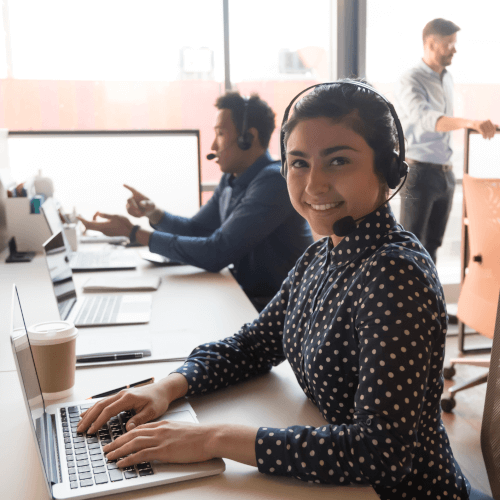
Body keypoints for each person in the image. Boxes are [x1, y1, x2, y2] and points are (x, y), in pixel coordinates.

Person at [77, 80, 471, 499]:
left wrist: (213, 439)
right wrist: (166, 387)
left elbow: (381, 454)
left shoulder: (395, 275)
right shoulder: (320, 257)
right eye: (299, 162)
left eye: (338, 161)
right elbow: (253, 345)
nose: (314, 184)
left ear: (387, 169)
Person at [78, 92, 313, 311]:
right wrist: (155, 214)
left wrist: (134, 233)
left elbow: (216, 252)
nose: (213, 146)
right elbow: (197, 229)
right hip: (244, 298)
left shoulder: (274, 182)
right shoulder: (231, 179)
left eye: (220, 134)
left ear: (247, 138)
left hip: (277, 310)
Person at [395, 18, 497, 264]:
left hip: (445, 174)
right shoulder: (411, 79)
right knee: (410, 246)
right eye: (449, 43)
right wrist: (470, 123)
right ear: (431, 43)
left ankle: (427, 300)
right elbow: (426, 118)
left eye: (454, 43)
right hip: (419, 172)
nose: (455, 49)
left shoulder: (447, 78)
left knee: (432, 246)